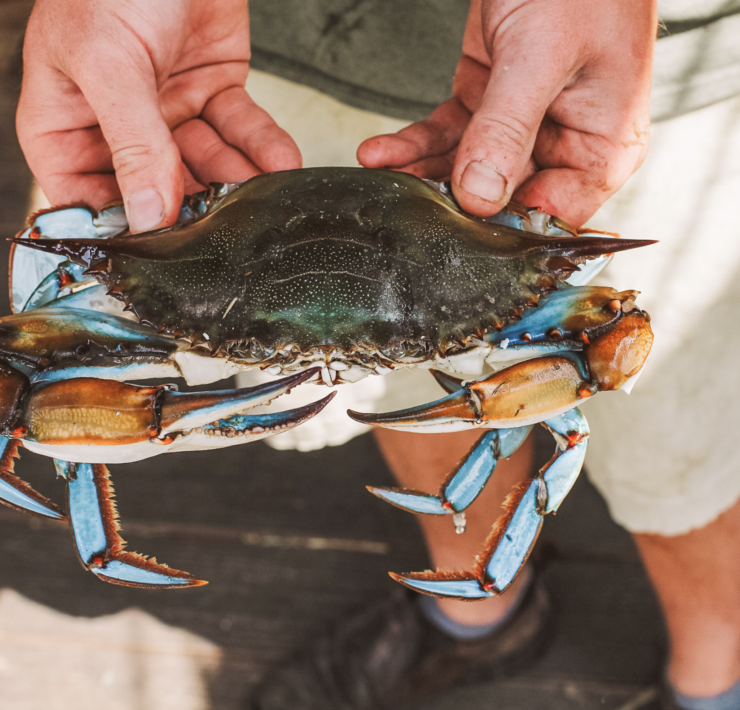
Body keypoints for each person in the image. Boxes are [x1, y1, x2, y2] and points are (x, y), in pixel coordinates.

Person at [16, 1, 740, 709]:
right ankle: (475, 618)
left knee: (676, 462)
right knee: (401, 394)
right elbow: (19, 375)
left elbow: (617, 340)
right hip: (238, 58)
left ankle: (712, 682)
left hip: (611, 83)